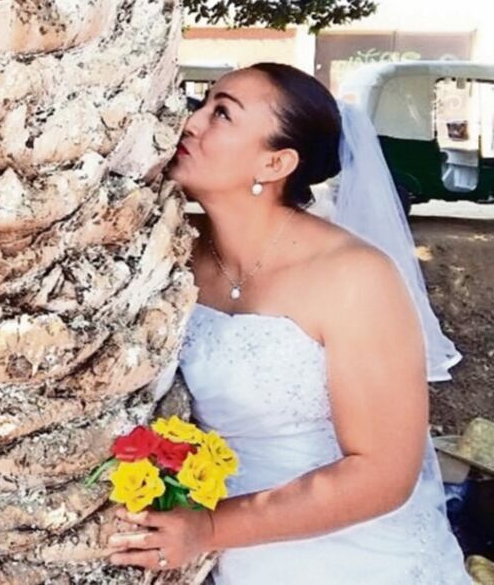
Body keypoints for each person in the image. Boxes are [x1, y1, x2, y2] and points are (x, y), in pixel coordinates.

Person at [105, 63, 470, 583]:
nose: (192, 122)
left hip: (352, 554)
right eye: (203, 103)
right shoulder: (171, 250)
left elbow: (383, 474)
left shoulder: (352, 277)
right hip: (222, 552)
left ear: (275, 162)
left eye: (222, 113)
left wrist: (210, 528)